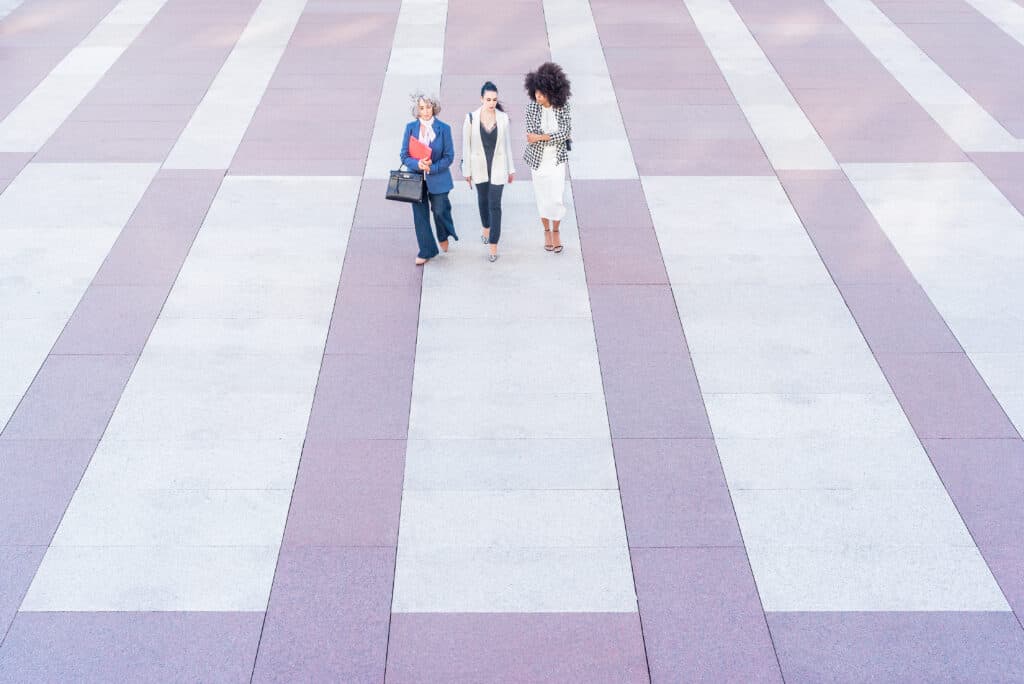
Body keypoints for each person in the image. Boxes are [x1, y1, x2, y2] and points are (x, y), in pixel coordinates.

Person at [462, 81, 515, 263]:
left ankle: (493, 245)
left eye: (494, 99)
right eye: (488, 99)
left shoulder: (503, 118)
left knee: (495, 205)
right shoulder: (470, 118)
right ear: (481, 99)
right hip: (479, 167)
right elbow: (466, 147)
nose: (492, 103)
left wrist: (511, 169)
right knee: (483, 201)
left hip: (498, 167)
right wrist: (466, 172)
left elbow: (507, 145)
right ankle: (485, 227)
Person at [402, 93, 457, 265]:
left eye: (428, 107)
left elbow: (449, 156)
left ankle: (443, 233)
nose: (425, 111)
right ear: (417, 110)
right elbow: (404, 155)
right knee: (420, 215)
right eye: (422, 108)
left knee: (440, 209)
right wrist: (419, 164)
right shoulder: (410, 128)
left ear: (434, 107)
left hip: (438, 177)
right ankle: (427, 250)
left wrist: (431, 167)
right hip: (416, 178)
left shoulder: (444, 129)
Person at [523, 62, 572, 254]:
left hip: (556, 161)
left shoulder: (563, 108)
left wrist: (542, 137)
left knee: (556, 196)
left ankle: (556, 231)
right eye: (536, 92)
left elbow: (566, 133)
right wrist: (552, 138)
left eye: (542, 94)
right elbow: (530, 137)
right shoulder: (531, 108)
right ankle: (546, 231)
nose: (538, 96)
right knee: (542, 197)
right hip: (538, 161)